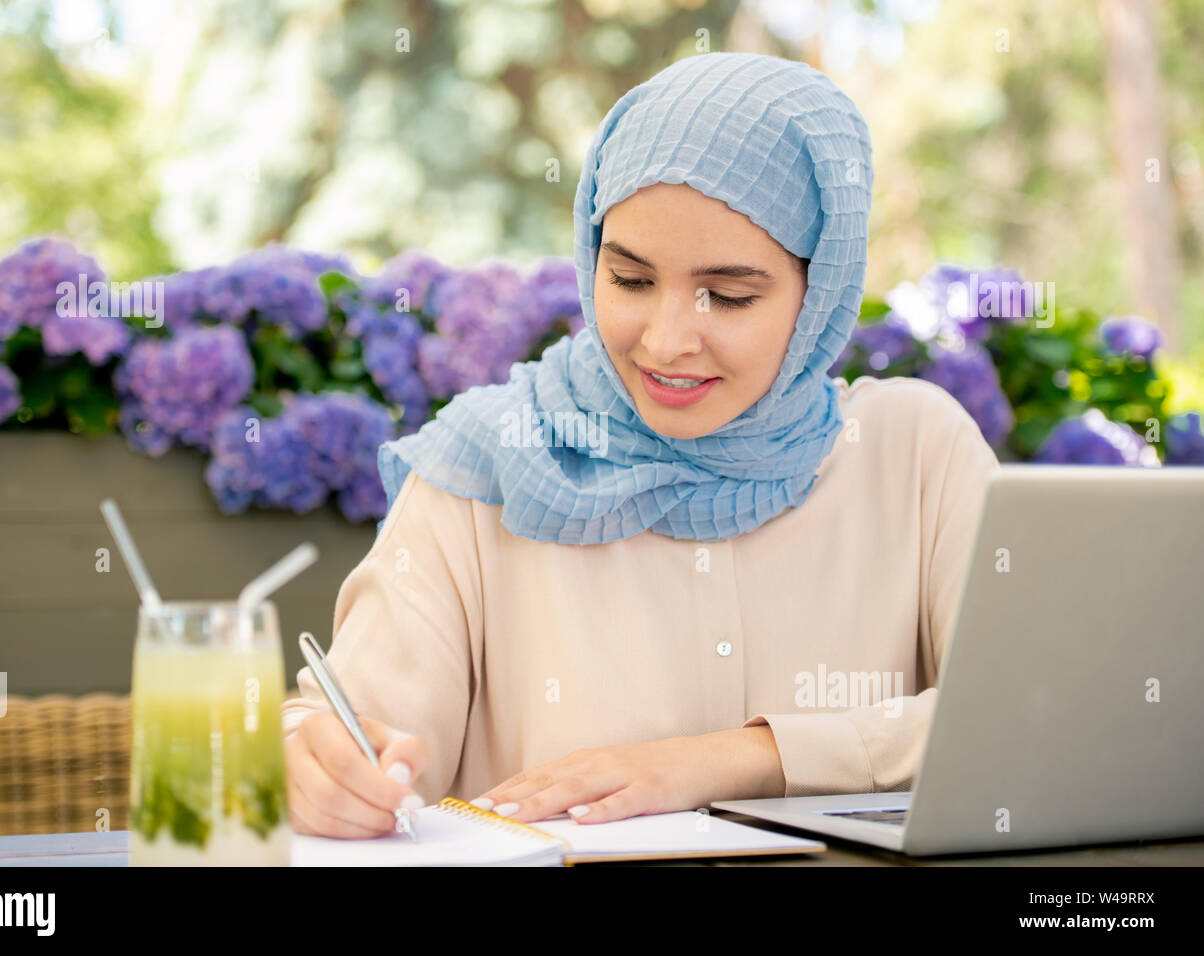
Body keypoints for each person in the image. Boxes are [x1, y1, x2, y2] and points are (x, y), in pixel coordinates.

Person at [282, 52, 1000, 839]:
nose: (664, 341)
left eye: (726, 296)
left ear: (820, 288)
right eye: (628, 280)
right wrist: (314, 766)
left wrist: (733, 760)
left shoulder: (914, 451)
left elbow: (1030, 708)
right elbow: (355, 732)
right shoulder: (485, 462)